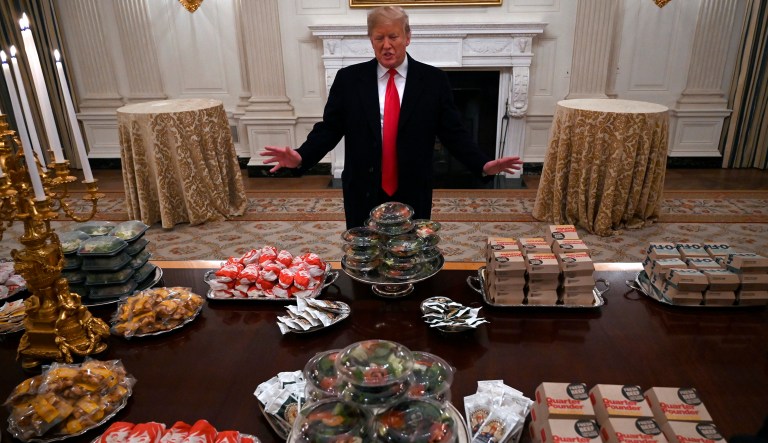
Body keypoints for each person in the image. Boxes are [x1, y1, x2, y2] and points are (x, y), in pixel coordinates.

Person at [262, 6, 523, 229]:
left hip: (413, 188)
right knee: (365, 259)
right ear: (371, 40)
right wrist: (301, 156)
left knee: (410, 257)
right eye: (379, 38)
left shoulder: (433, 81)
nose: (386, 45)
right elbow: (329, 128)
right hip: (363, 187)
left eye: (393, 36)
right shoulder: (349, 80)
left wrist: (482, 164)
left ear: (407, 37)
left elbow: (453, 132)